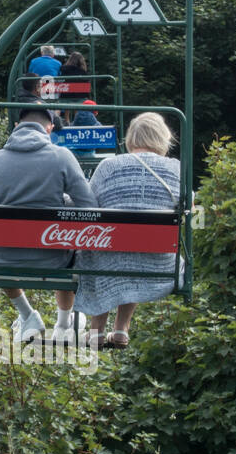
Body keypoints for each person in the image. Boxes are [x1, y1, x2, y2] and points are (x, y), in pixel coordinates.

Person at [0, 107, 96, 344]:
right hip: (53, 258)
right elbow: (89, 205)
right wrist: (64, 203)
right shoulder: (61, 156)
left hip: (2, 258)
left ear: (16, 127)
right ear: (50, 128)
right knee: (70, 244)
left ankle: (27, 315)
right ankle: (64, 323)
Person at [74, 113, 184, 349]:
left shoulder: (108, 166)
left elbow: (90, 207)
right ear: (163, 138)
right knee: (137, 249)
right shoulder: (176, 169)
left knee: (103, 249)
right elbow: (189, 206)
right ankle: (121, 328)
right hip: (158, 261)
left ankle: (96, 331)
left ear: (130, 138)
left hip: (108, 256)